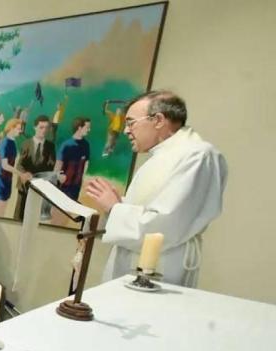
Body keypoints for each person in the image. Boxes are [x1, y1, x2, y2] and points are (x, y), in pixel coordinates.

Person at [86, 91, 227, 287]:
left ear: (158, 120)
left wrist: (115, 209)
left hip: (163, 266)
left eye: (131, 122)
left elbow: (166, 224)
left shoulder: (197, 155)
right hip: (133, 257)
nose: (126, 130)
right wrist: (120, 205)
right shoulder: (163, 156)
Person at [15, 115, 56, 221]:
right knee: (18, 217)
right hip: (24, 186)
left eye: (46, 128)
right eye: (41, 127)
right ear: (35, 127)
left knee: (33, 218)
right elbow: (20, 165)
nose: (44, 130)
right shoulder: (26, 144)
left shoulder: (50, 146)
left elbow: (51, 167)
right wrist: (24, 174)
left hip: (39, 187)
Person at [0, 118, 25, 218]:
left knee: (1, 211)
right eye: (18, 129)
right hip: (0, 181)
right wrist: (20, 173)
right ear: (11, 128)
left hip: (7, 180)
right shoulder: (5, 143)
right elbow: (4, 165)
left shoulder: (12, 142)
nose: (20, 131)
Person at [55, 117, 93, 207]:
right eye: (87, 127)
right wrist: (57, 177)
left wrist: (83, 179)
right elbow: (58, 164)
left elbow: (86, 163)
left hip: (77, 185)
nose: (89, 130)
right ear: (79, 128)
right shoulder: (66, 145)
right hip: (64, 185)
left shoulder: (86, 145)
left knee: (70, 208)